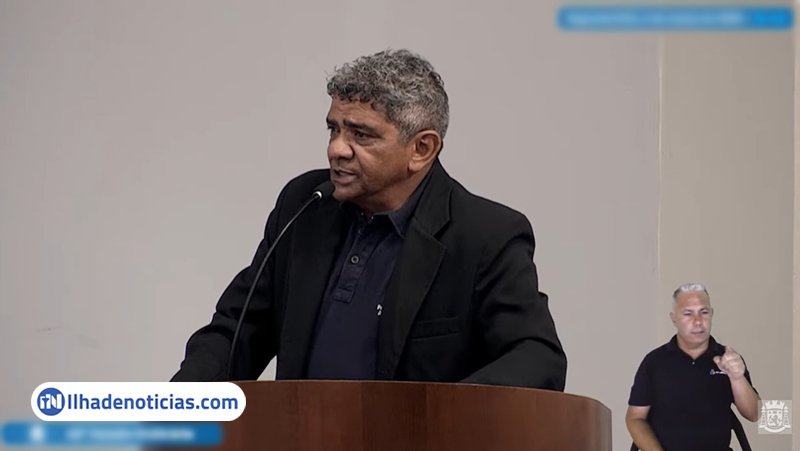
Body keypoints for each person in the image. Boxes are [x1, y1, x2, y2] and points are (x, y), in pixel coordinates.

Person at [171, 49, 566, 390]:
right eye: (334, 129)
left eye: (361, 135)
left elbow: (537, 357)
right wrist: (175, 406)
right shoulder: (304, 205)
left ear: (421, 149)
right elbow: (237, 330)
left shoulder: (484, 235)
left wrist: (439, 420)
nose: (337, 149)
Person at [626, 283, 759, 451]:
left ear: (712, 314)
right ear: (674, 318)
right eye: (688, 314)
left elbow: (755, 414)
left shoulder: (729, 358)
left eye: (704, 312)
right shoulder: (654, 362)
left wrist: (737, 378)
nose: (698, 321)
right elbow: (635, 418)